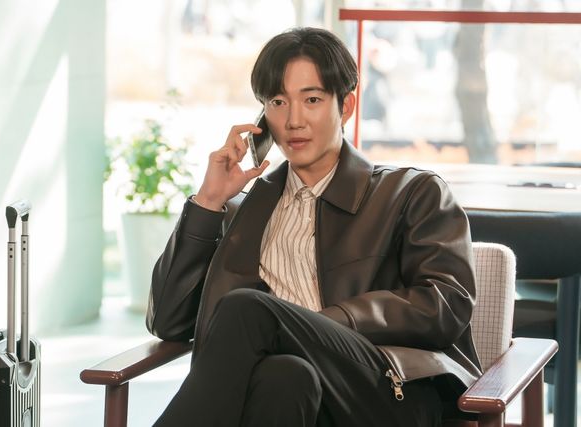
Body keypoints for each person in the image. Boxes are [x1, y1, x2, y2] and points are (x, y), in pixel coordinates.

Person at [146, 27, 481, 427]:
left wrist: (322, 322)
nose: (293, 120)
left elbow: (445, 304)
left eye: (312, 100)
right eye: (278, 102)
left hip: (388, 392)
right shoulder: (244, 212)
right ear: (262, 117)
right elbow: (168, 321)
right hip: (297, 394)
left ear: (346, 106)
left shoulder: (412, 192)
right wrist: (208, 202)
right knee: (285, 377)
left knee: (247, 309)